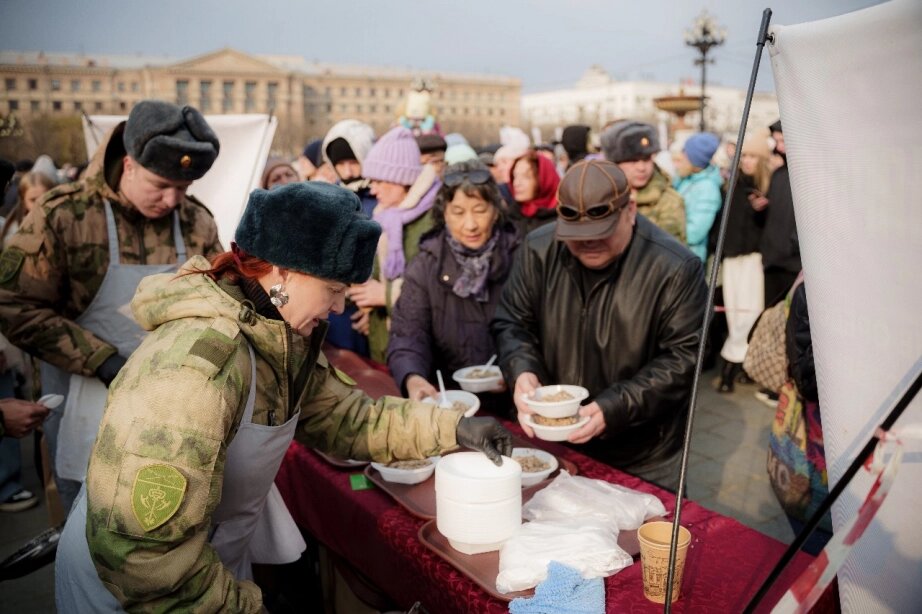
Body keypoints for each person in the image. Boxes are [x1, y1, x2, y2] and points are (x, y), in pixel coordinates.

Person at [54, 182, 512, 612]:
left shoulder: (274, 332)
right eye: (333, 290)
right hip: (138, 591)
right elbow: (146, 559)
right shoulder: (194, 371)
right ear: (284, 273)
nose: (338, 307)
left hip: (204, 569)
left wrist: (452, 427)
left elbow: (346, 419)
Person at [0, 99, 223, 514]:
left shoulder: (197, 222)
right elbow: (14, 305)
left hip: (172, 405)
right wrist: (100, 359)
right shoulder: (64, 215)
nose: (174, 201)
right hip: (83, 399)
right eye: (161, 185)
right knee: (89, 520)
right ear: (129, 164)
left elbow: (219, 305)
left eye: (184, 188)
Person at [492, 160, 707, 489]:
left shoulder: (675, 267)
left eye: (600, 232)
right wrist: (521, 369)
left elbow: (684, 358)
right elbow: (512, 322)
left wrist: (615, 406)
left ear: (630, 210)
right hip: (554, 442)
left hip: (644, 453)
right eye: (575, 236)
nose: (588, 244)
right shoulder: (538, 248)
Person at [388, 160, 520, 405]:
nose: (470, 224)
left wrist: (519, 369)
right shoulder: (426, 265)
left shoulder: (520, 256)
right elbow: (408, 334)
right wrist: (413, 378)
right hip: (451, 402)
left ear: (496, 210)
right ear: (444, 213)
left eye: (480, 210)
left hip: (516, 401)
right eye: (458, 212)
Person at [347, 126, 440, 364]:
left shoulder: (434, 218)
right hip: (386, 344)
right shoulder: (384, 215)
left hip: (426, 352)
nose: (372, 188)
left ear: (401, 179)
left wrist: (386, 296)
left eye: (379, 180)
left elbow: (439, 287)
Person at [716, 131, 771, 393]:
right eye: (744, 155)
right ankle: (735, 367)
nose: (747, 160)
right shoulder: (732, 184)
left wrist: (763, 210)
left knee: (748, 313)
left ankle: (730, 368)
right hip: (733, 257)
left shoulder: (766, 186)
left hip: (752, 258)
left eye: (752, 156)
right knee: (736, 313)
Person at [601, 120, 686, 243]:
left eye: (646, 159)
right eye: (633, 160)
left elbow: (672, 254)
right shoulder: (600, 196)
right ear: (614, 163)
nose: (641, 168)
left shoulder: (669, 201)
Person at [761, 119, 801, 306]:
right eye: (776, 142)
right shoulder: (778, 174)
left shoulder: (807, 176)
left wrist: (792, 246)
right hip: (773, 262)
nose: (779, 148)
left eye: (783, 141)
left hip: (794, 265)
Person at [673, 133, 722, 262]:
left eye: (685, 154)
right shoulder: (686, 179)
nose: (681, 157)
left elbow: (695, 232)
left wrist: (664, 232)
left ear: (695, 161)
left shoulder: (708, 188)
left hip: (689, 258)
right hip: (675, 251)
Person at [509, 150, 560, 235]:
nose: (516, 183)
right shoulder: (512, 217)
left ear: (544, 178)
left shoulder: (563, 218)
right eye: (514, 176)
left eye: (526, 177)